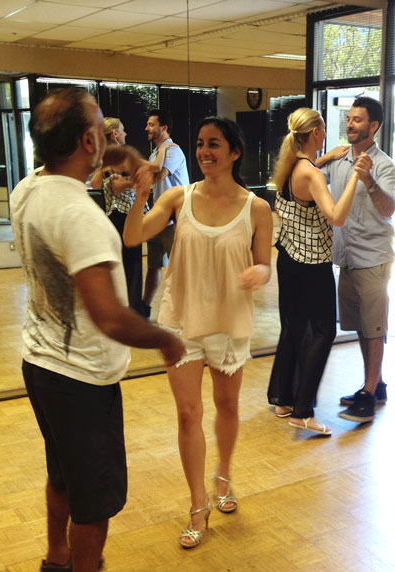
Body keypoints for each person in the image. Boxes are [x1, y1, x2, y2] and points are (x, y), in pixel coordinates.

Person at [10, 87, 184, 572]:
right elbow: (111, 316)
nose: (107, 134)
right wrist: (167, 338)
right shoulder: (82, 217)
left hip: (40, 365)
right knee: (94, 503)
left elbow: (94, 152)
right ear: (88, 141)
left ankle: (56, 559)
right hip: (82, 381)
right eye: (100, 127)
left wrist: (127, 157)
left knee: (62, 476)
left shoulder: (28, 188)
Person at [123, 116, 273, 548]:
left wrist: (257, 273)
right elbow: (134, 236)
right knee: (188, 414)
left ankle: (223, 475)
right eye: (202, 144)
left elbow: (263, 262)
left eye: (215, 145)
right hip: (181, 323)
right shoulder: (177, 197)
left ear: (234, 152)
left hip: (228, 323)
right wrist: (142, 195)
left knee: (226, 407)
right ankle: (198, 503)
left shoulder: (255, 208)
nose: (205, 152)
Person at [267, 107, 365, 436]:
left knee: (294, 329)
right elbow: (336, 215)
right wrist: (354, 175)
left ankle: (283, 399)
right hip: (312, 264)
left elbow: (304, 177)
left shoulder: (290, 166)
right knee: (323, 332)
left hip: (289, 259)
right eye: (324, 128)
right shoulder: (310, 173)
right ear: (317, 134)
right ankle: (303, 411)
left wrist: (322, 160)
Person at [318, 96, 395, 423]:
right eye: (348, 119)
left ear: (373, 126)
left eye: (358, 120)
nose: (350, 124)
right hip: (346, 257)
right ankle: (374, 386)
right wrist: (323, 159)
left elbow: (389, 209)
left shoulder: (384, 165)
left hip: (372, 257)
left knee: (374, 327)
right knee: (361, 328)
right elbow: (300, 175)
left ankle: (368, 391)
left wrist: (368, 181)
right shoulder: (337, 160)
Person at [90, 117, 147, 316]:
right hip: (112, 218)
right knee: (116, 262)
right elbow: (95, 184)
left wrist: (126, 183)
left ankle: (134, 309)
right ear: (115, 134)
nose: (125, 134)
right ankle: (120, 306)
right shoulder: (104, 159)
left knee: (133, 264)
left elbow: (144, 178)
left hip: (130, 217)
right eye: (122, 130)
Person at [143, 109, 189, 318]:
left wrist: (165, 148)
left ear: (164, 128)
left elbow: (158, 175)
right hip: (157, 219)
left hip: (175, 221)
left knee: (179, 268)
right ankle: (144, 307)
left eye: (151, 124)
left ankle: (185, 309)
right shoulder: (158, 152)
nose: (147, 128)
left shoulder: (174, 151)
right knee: (153, 266)